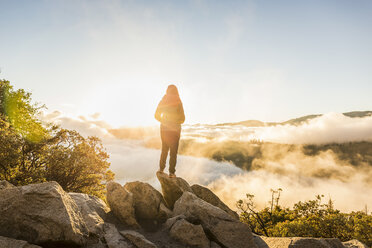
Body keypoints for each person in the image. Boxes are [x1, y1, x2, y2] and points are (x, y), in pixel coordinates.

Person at [155, 85, 185, 178]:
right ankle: (172, 173)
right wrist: (175, 122)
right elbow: (183, 119)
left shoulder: (163, 101)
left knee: (164, 149)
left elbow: (156, 115)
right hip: (175, 130)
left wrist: (164, 121)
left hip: (164, 128)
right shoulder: (178, 102)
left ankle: (161, 169)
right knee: (173, 151)